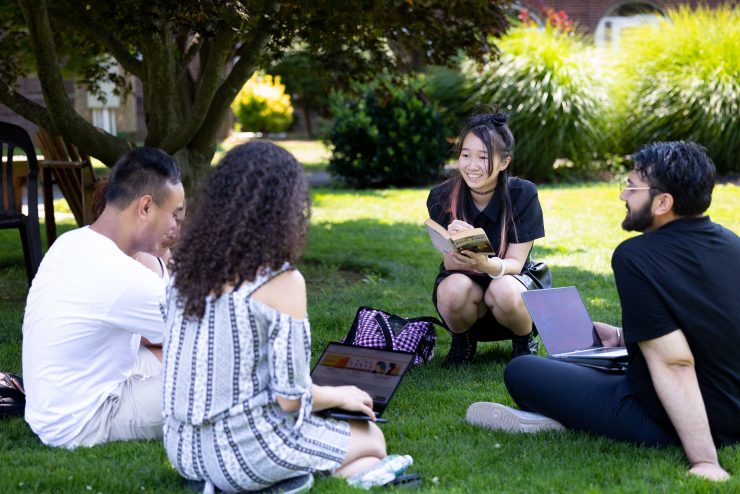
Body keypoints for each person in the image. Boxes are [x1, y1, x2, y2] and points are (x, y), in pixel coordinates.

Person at [466, 141, 739, 481]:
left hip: (664, 417)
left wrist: (705, 461)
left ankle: (552, 423)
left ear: (663, 202)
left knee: (522, 370)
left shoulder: (636, 256)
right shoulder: (732, 243)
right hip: (733, 409)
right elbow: (717, 326)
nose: (623, 196)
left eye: (632, 187)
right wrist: (626, 338)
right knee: (591, 365)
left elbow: (675, 363)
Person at [162, 141, 412, 492]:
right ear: (286, 209)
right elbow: (289, 398)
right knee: (371, 438)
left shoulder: (185, 272)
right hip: (243, 452)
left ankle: (283, 480)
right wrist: (341, 396)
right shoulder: (281, 281)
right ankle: (279, 482)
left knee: (357, 449)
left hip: (183, 450)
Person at [22, 147, 185, 448]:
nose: (174, 227)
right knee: (212, 380)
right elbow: (211, 336)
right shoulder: (122, 275)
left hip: (52, 405)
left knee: (174, 356)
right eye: (172, 215)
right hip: (84, 420)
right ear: (145, 207)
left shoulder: (71, 243)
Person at [427, 111, 546, 367]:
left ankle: (524, 341)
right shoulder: (441, 197)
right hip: (467, 285)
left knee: (502, 289)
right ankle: (463, 342)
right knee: (451, 290)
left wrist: (487, 265)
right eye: (465, 155)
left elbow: (515, 262)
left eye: (483, 157)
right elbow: (451, 265)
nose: (472, 165)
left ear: (504, 162)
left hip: (511, 282)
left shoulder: (522, 194)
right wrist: (461, 242)